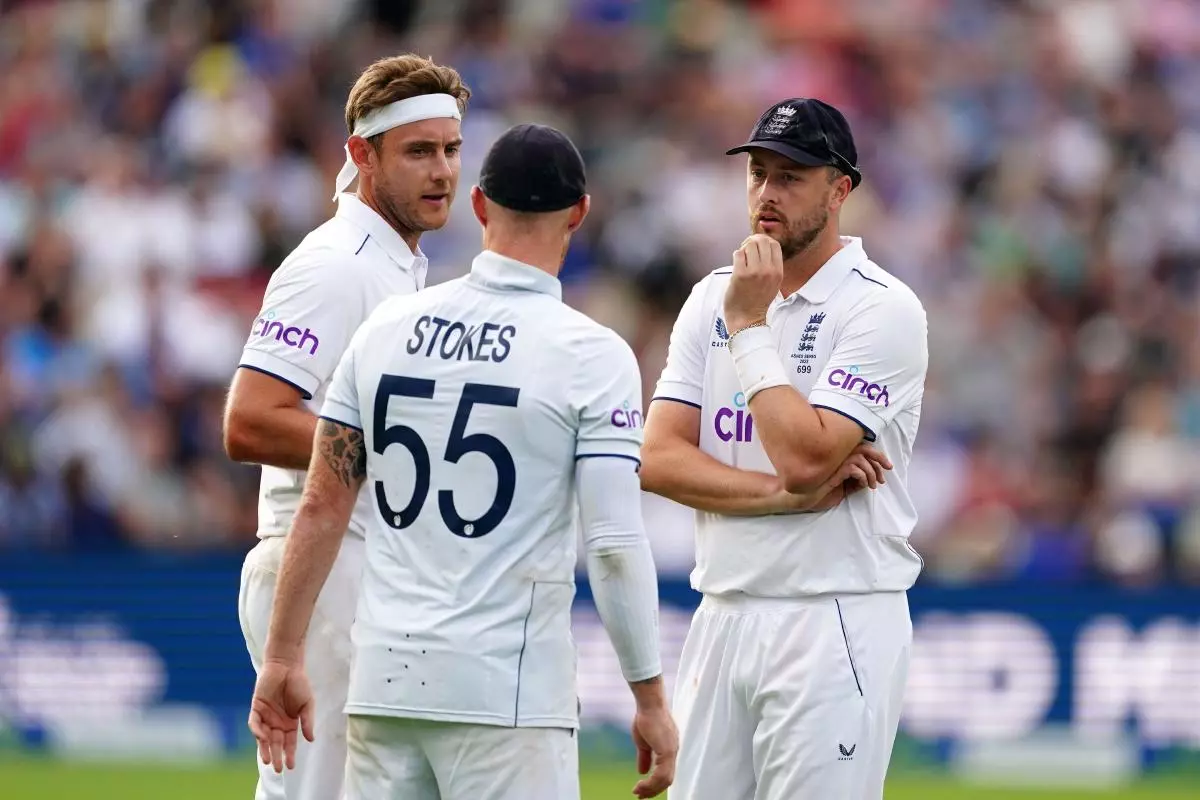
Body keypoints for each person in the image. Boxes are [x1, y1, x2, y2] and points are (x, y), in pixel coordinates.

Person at [247, 124, 679, 799]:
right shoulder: (592, 355)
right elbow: (614, 545)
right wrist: (649, 696)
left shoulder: (386, 330)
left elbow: (322, 506)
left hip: (385, 684)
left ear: (478, 205)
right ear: (579, 213)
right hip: (507, 693)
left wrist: (280, 655)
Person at [640, 97, 929, 799]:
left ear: (839, 190)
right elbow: (658, 459)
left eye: (791, 177)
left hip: (833, 614)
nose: (767, 193)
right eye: (758, 174)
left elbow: (806, 458)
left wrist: (748, 326)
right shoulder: (712, 296)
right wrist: (779, 497)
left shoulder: (881, 307)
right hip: (722, 609)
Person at [222, 54, 470, 800]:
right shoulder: (335, 264)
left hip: (363, 567)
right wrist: (401, 450)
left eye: (451, 149)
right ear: (363, 154)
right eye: (419, 151)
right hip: (321, 573)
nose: (442, 171)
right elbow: (250, 420)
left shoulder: (395, 264)